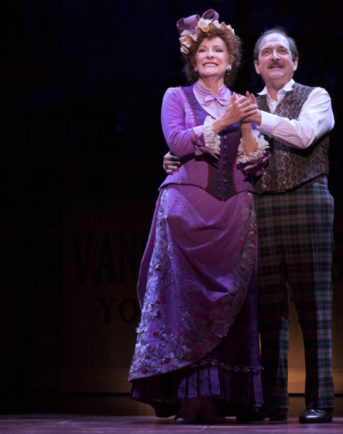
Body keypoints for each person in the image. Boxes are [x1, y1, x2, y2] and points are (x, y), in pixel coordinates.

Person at [164, 27, 336, 424]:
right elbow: (213, 145)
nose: (275, 57)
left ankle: (320, 400)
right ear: (256, 65)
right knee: (266, 307)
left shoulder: (315, 96)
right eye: (266, 53)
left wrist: (257, 117)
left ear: (295, 61)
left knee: (315, 306)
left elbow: (305, 135)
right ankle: (271, 401)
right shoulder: (241, 101)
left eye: (282, 51)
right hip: (258, 207)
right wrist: (173, 159)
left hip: (307, 203)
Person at [128, 9, 269, 425]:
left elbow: (254, 163)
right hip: (186, 213)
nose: (210, 56)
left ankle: (224, 397)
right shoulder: (176, 96)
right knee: (185, 303)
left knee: (232, 301)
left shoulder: (244, 101)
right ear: (194, 60)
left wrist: (241, 123)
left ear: (231, 60)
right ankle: (187, 396)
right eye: (203, 50)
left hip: (233, 213)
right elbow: (176, 141)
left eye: (218, 50)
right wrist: (223, 120)